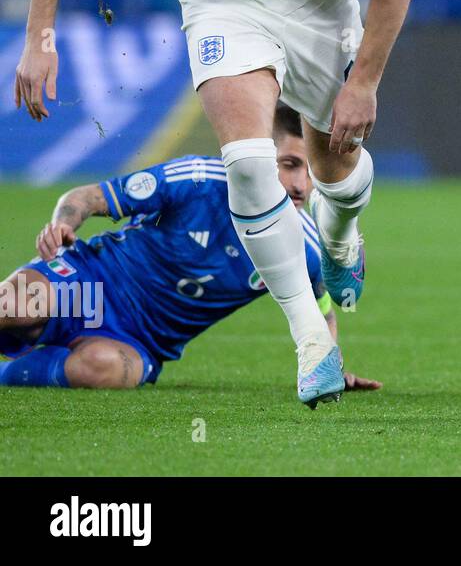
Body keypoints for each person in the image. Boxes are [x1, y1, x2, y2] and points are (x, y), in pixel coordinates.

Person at [13, 0, 417, 406]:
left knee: (332, 166)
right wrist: (40, 39)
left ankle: (341, 240)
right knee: (249, 162)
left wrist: (362, 83)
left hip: (317, 0)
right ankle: (311, 342)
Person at [0, 104, 380, 399]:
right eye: (290, 165)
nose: (301, 185)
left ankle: (7, 376)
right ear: (263, 157)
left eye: (310, 171)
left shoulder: (307, 245)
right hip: (88, 283)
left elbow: (322, 308)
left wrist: (327, 363)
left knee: (103, 371)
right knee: (17, 306)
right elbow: (84, 198)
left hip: (141, 341)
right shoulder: (196, 179)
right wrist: (64, 223)